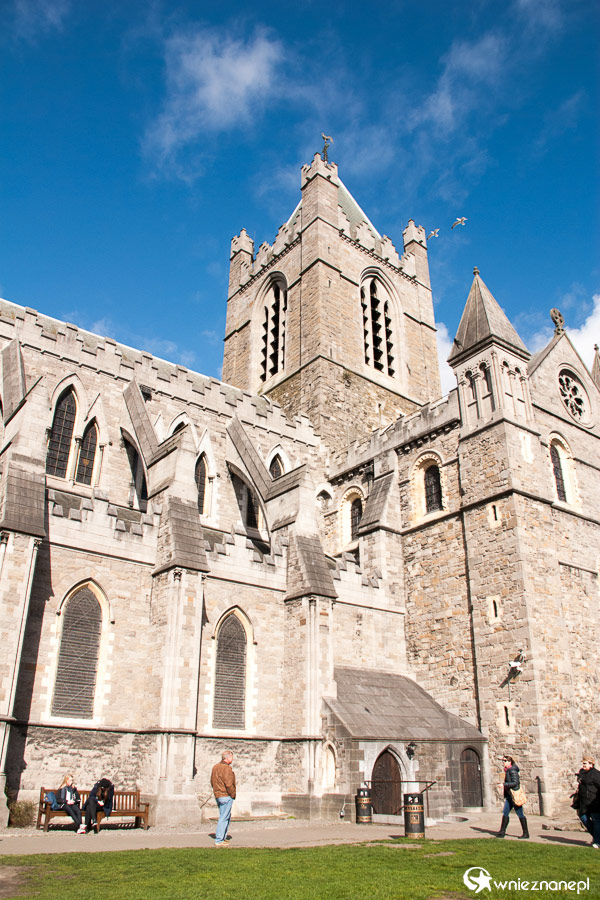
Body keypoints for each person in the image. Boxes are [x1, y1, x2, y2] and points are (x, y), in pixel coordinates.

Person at [496, 754, 529, 839]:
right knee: (505, 812)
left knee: (520, 813)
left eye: (505, 761)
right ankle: (502, 831)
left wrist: (504, 785)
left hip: (514, 795)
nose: (503, 762)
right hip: (510, 796)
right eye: (502, 761)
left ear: (509, 762)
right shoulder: (508, 770)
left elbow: (515, 783)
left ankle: (526, 833)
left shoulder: (512, 770)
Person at [211, 750, 236, 847]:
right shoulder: (226, 768)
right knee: (224, 817)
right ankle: (219, 840)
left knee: (224, 816)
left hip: (218, 795)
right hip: (225, 795)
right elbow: (229, 784)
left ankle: (222, 837)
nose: (232, 759)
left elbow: (212, 781)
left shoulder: (215, 767)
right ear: (228, 757)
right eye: (232, 757)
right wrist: (232, 794)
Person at [575, 756, 600, 849]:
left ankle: (597, 841)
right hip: (583, 802)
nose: (583, 765)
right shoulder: (582, 773)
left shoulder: (596, 774)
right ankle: (597, 837)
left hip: (594, 802)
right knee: (583, 818)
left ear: (591, 764)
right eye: (583, 763)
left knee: (596, 820)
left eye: (585, 763)